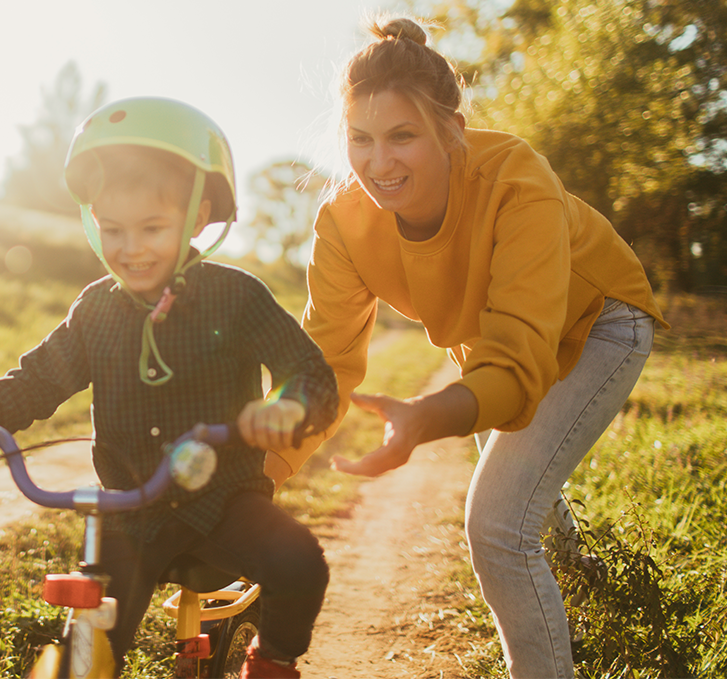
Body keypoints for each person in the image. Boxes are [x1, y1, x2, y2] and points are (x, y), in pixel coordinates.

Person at [284, 15, 669, 679]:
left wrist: (428, 416)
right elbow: (325, 361)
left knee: (496, 526)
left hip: (600, 318)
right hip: (492, 337)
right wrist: (252, 474)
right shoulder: (342, 223)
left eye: (403, 136)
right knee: (514, 465)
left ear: (451, 133)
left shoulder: (516, 179)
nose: (379, 162)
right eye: (360, 139)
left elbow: (521, 364)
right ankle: (580, 565)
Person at [0, 97, 337, 678]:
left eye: (152, 228)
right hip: (128, 514)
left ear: (195, 220)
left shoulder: (237, 298)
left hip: (224, 504)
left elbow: (312, 372)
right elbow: (41, 376)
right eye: (113, 229)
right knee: (88, 649)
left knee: (300, 562)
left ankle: (271, 662)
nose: (130, 247)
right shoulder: (97, 310)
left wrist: (289, 408)